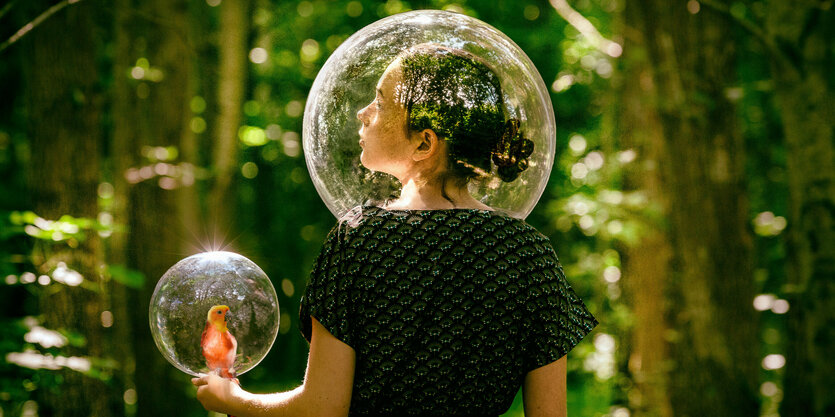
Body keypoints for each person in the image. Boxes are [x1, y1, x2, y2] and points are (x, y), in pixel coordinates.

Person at [192, 43, 598, 417]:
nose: (362, 112)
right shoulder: (530, 253)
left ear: (424, 144)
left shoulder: (359, 239)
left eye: (380, 103)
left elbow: (322, 406)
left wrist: (233, 399)